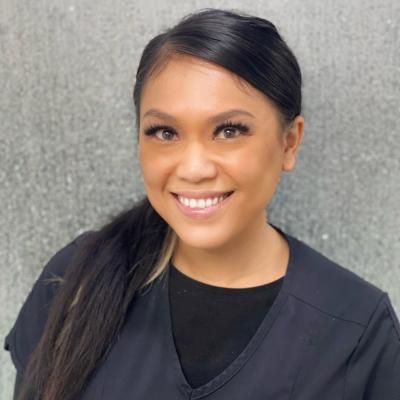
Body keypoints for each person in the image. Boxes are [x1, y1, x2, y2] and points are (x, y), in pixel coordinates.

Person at [4, 7, 400, 400]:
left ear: (289, 142)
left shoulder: (356, 330)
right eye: (165, 132)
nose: (193, 169)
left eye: (229, 131)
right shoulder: (74, 281)